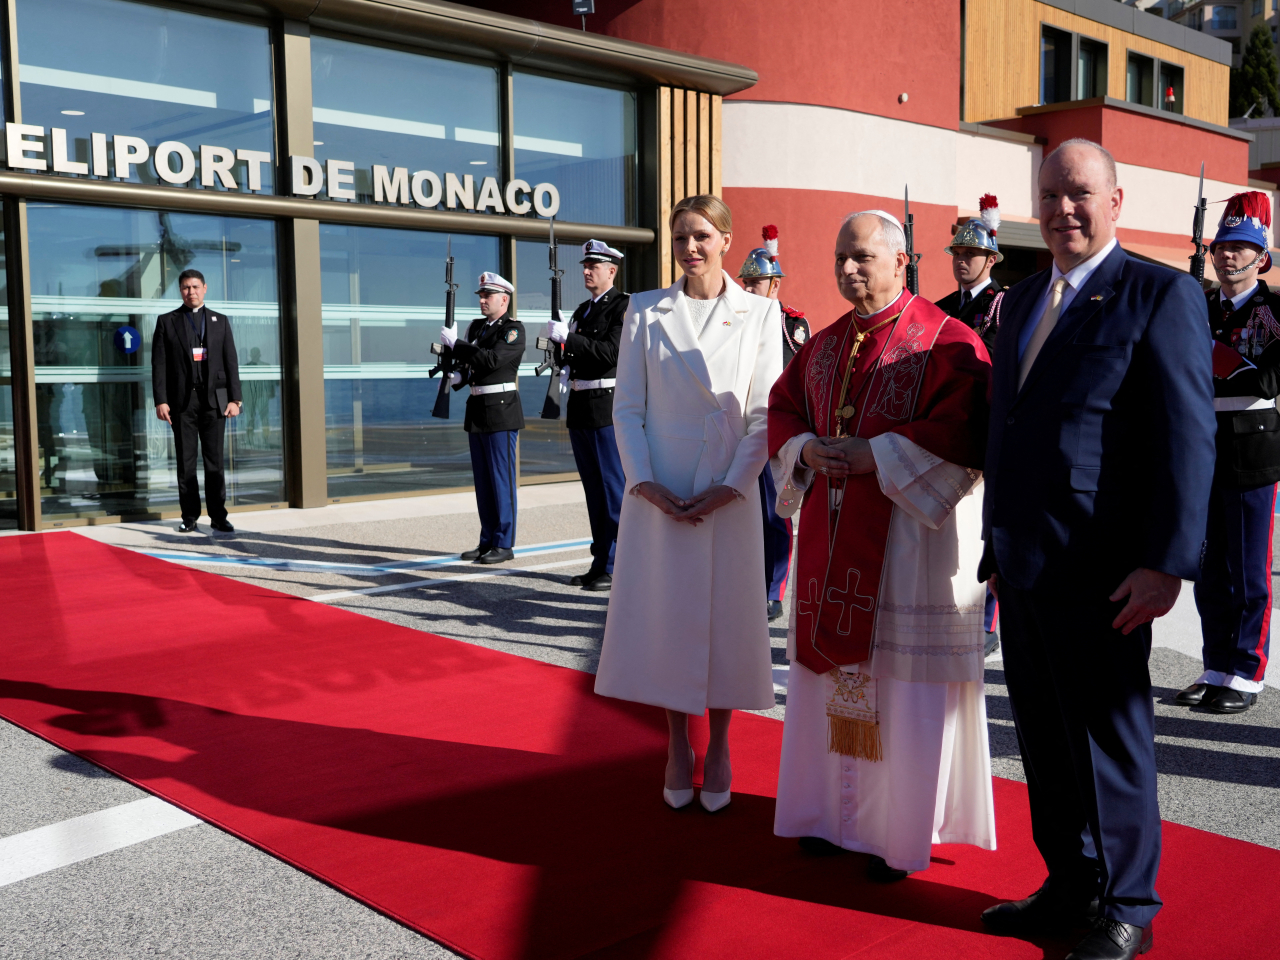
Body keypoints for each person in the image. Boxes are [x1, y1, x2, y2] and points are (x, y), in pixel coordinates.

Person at [979, 139, 1215, 960]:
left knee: (1111, 742)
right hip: (1024, 564)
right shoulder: (1020, 300)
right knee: (1043, 738)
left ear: (1116, 201)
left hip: (1106, 572)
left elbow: (1189, 440)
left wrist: (1167, 562)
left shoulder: (1161, 294)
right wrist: (991, 544)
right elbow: (1008, 427)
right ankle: (1070, 883)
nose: (1062, 210)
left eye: (1079, 194)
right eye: (1049, 196)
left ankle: (1129, 905)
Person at [768, 210, 995, 883]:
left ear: (902, 262)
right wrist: (806, 448)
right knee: (834, 686)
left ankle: (897, 832)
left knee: (900, 692)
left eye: (863, 257)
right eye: (841, 257)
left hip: (908, 557)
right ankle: (827, 818)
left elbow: (966, 431)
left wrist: (878, 457)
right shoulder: (822, 345)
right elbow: (782, 411)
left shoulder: (947, 341)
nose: (848, 270)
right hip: (832, 553)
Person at [595, 194, 782, 814]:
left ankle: (722, 743)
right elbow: (627, 408)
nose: (690, 247)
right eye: (680, 237)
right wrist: (644, 482)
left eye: (702, 235)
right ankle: (678, 744)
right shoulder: (645, 311)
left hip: (726, 490)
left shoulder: (759, 313)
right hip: (664, 490)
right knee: (671, 621)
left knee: (727, 622)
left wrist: (733, 484)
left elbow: (763, 415)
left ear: (726, 240)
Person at [1177, 191, 1280, 715]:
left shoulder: (1275, 311)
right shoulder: (1196, 303)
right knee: (1209, 569)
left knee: (1248, 570)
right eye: (1221, 246)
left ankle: (1247, 670)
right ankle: (1216, 664)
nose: (1227, 256)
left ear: (1261, 257)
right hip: (1200, 449)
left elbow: (1264, 381)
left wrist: (1209, 355)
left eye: (1240, 247)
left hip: (1250, 450)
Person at [935, 195, 1007, 655]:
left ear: (991, 258)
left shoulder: (1005, 305)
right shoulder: (940, 306)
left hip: (988, 423)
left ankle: (984, 622)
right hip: (949, 427)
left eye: (971, 254)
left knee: (986, 525)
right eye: (957, 254)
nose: (962, 261)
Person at [546, 240, 629, 591]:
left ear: (611, 270)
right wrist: (560, 353)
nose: (586, 270)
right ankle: (600, 561)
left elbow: (610, 352)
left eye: (593, 265)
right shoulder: (581, 311)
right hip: (580, 408)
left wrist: (571, 341)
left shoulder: (622, 307)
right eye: (585, 265)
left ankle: (617, 564)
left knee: (613, 490)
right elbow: (574, 356)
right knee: (593, 491)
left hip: (605, 407)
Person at [739, 225, 809, 620]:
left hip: (773, 430)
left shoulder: (791, 324)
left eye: (757, 282)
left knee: (772, 514)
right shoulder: (732, 320)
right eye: (746, 282)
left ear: (774, 286)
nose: (749, 289)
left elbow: (800, 380)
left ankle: (772, 590)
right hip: (738, 428)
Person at [441, 272, 525, 565]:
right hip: (477, 409)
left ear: (504, 299)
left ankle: (505, 543)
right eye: (480, 295)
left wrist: (457, 345)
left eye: (487, 295)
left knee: (501, 480)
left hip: (501, 411)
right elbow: (471, 364)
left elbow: (491, 360)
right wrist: (458, 376)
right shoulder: (477, 327)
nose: (482, 300)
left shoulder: (513, 330)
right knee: (484, 482)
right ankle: (487, 539)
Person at [152, 269, 242, 534]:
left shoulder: (220, 321)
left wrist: (235, 398)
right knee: (186, 461)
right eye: (184, 288)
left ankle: (218, 516)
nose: (190, 292)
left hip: (215, 402)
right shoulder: (167, 321)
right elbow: (159, 365)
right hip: (182, 404)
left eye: (194, 287)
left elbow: (231, 362)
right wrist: (161, 400)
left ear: (205, 288)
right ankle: (189, 516)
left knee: (215, 462)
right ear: (180, 291)